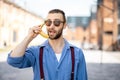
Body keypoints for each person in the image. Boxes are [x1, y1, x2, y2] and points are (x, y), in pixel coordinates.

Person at [7, 9, 88, 80]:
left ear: (64, 25)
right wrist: (29, 38)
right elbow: (13, 60)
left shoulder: (77, 53)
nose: (51, 26)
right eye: (48, 22)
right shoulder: (36, 51)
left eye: (57, 22)